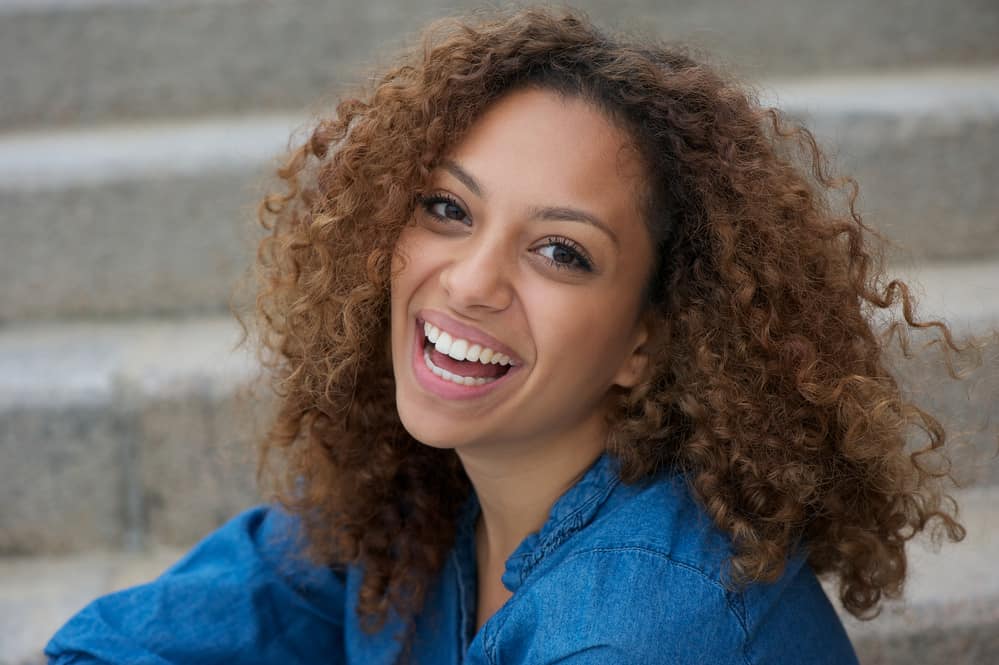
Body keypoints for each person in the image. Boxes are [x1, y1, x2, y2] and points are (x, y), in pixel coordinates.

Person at [46, 6, 967, 664]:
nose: (472, 280)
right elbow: (125, 642)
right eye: (447, 208)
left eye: (561, 252)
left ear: (644, 344)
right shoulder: (417, 506)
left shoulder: (640, 628)